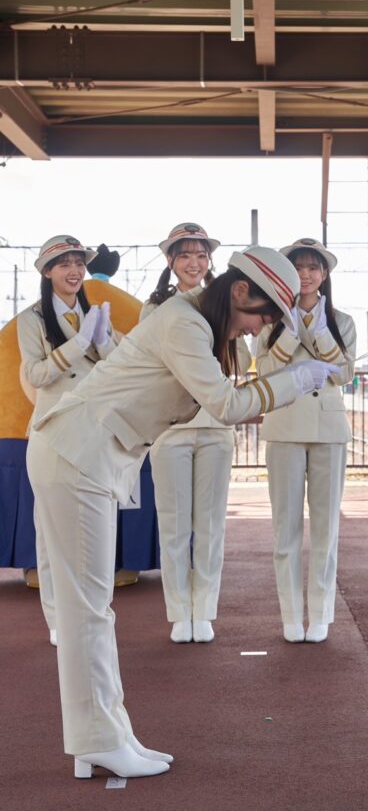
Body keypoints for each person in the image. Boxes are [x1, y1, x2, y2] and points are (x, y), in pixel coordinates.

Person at [26, 245, 339, 780]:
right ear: (239, 291)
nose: (253, 330)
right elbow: (227, 405)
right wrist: (298, 379)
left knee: (92, 607)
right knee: (87, 610)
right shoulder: (186, 324)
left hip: (85, 454)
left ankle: (106, 734)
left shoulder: (192, 318)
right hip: (76, 455)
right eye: (259, 316)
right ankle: (97, 737)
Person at [140, 223, 250, 644]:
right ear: (170, 261)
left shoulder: (226, 303)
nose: (193, 263)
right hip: (171, 426)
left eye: (200, 255)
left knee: (209, 524)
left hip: (216, 424)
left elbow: (244, 351)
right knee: (173, 524)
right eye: (184, 255)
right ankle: (177, 612)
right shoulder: (155, 309)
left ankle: (203, 609)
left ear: (210, 262)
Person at [17, 235, 117, 646]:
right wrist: (79, 345)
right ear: (47, 272)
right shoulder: (33, 318)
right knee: (51, 529)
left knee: (101, 524)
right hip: (53, 432)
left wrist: (106, 341)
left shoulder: (99, 314)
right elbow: (37, 376)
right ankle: (58, 617)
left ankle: (95, 610)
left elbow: (121, 367)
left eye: (78, 262)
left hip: (94, 432)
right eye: (64, 264)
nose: (74, 271)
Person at [255, 238, 356, 643]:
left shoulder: (343, 320)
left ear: (325, 275)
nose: (307, 275)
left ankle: (321, 615)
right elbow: (263, 368)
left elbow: (345, 373)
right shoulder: (268, 318)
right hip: (284, 426)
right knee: (286, 528)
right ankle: (290, 616)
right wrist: (289, 333)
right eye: (298, 267)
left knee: (326, 528)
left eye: (314, 268)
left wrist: (314, 330)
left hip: (329, 430)